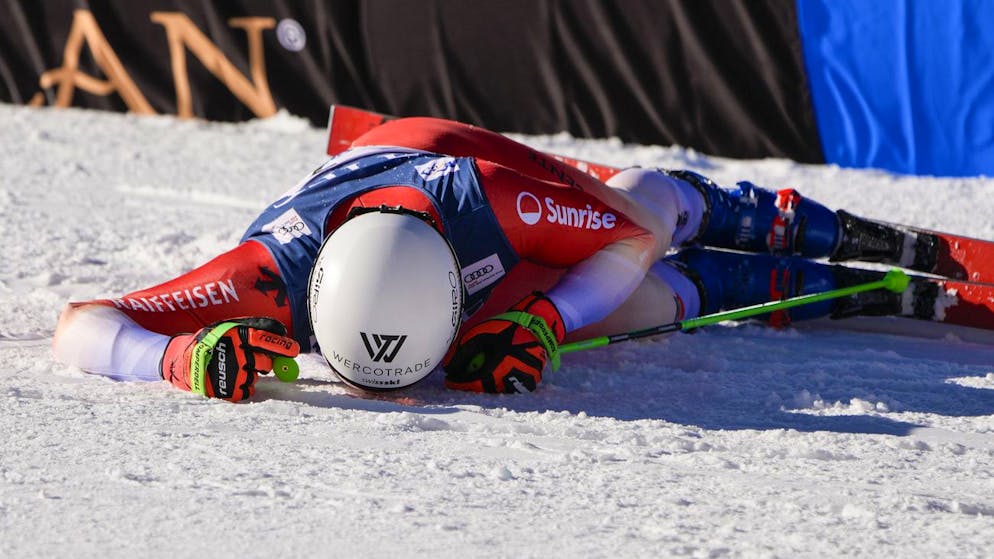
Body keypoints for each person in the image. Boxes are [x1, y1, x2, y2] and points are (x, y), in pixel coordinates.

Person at [52, 116, 909, 400]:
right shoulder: (265, 275)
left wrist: (544, 315)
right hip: (408, 235)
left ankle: (737, 213)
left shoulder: (485, 196)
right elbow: (81, 325)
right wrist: (178, 357)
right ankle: (723, 287)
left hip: (459, 162)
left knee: (640, 210)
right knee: (637, 306)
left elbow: (623, 238)